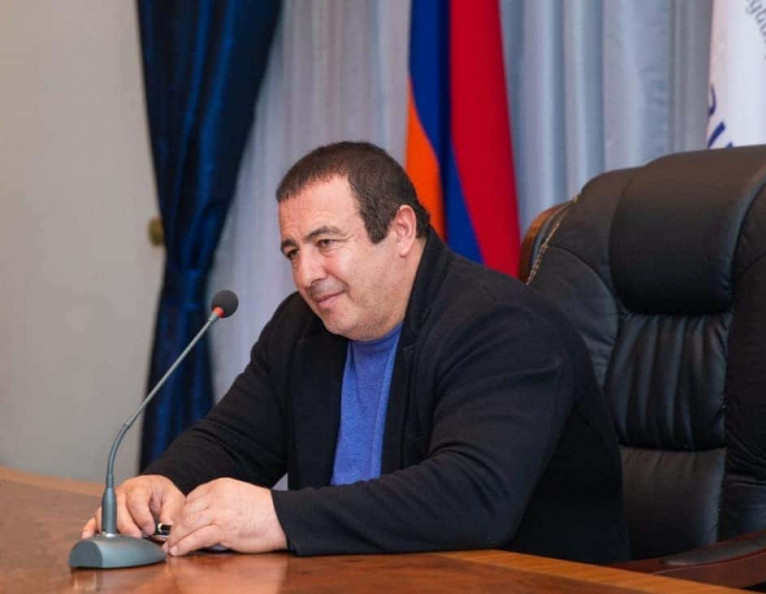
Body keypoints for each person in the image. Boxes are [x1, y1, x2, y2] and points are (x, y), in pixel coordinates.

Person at [82, 141, 629, 563]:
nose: (306, 274)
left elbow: (473, 496)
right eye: (292, 252)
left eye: (325, 243)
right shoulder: (303, 326)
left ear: (401, 230)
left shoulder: (502, 325)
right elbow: (234, 439)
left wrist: (279, 517)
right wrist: (163, 484)